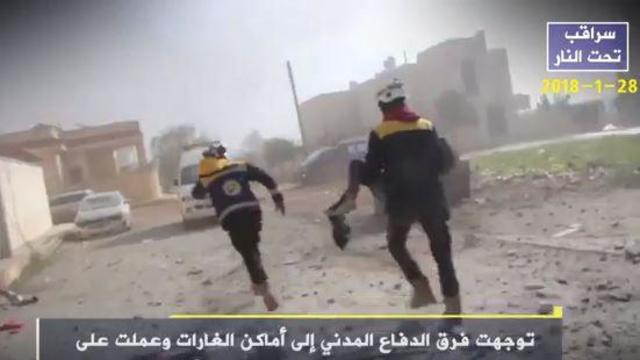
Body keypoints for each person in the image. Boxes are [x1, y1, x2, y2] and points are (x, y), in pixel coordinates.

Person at [328, 79, 460, 315]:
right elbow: (444, 164)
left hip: (402, 202)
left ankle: (421, 287)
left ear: (382, 107)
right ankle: (454, 310)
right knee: (443, 256)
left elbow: (371, 170)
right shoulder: (427, 126)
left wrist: (364, 175)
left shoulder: (380, 132)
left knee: (396, 244)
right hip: (432, 199)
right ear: (404, 101)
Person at [192, 141, 285, 311]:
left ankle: (264, 291)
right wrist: (278, 198)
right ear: (223, 155)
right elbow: (266, 178)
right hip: (252, 213)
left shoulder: (207, 176)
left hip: (231, 217)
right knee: (252, 249)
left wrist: (209, 184)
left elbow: (196, 193)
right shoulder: (240, 166)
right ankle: (258, 282)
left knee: (248, 253)